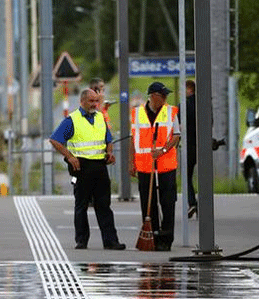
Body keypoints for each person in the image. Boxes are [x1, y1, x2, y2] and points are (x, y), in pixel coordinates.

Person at [49, 88, 125, 250]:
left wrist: (109, 153)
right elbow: (55, 140)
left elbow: (108, 139)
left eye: (96, 101)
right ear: (82, 101)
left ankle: (111, 241)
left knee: (104, 205)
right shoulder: (72, 120)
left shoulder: (100, 118)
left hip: (99, 166)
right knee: (81, 205)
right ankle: (82, 240)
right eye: (91, 101)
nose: (95, 104)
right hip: (81, 167)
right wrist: (70, 156)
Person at [130, 82, 181, 251]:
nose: (166, 98)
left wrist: (163, 150)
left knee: (167, 203)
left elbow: (176, 136)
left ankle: (165, 239)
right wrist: (131, 162)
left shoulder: (171, 112)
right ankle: (152, 235)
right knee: (148, 203)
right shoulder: (137, 114)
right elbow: (133, 140)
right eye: (163, 95)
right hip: (145, 165)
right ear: (153, 96)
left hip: (166, 164)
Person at [185, 80, 198, 218]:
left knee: (187, 176)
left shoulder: (185, 105)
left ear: (189, 89)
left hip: (189, 145)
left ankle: (192, 202)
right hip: (202, 145)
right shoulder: (203, 103)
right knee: (203, 176)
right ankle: (203, 204)